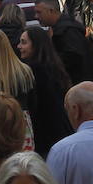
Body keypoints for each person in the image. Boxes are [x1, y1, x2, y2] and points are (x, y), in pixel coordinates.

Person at [16, 27, 74, 157]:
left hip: (45, 137)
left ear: (36, 45)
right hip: (60, 132)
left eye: (24, 42)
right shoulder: (53, 67)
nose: (19, 46)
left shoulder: (34, 71)